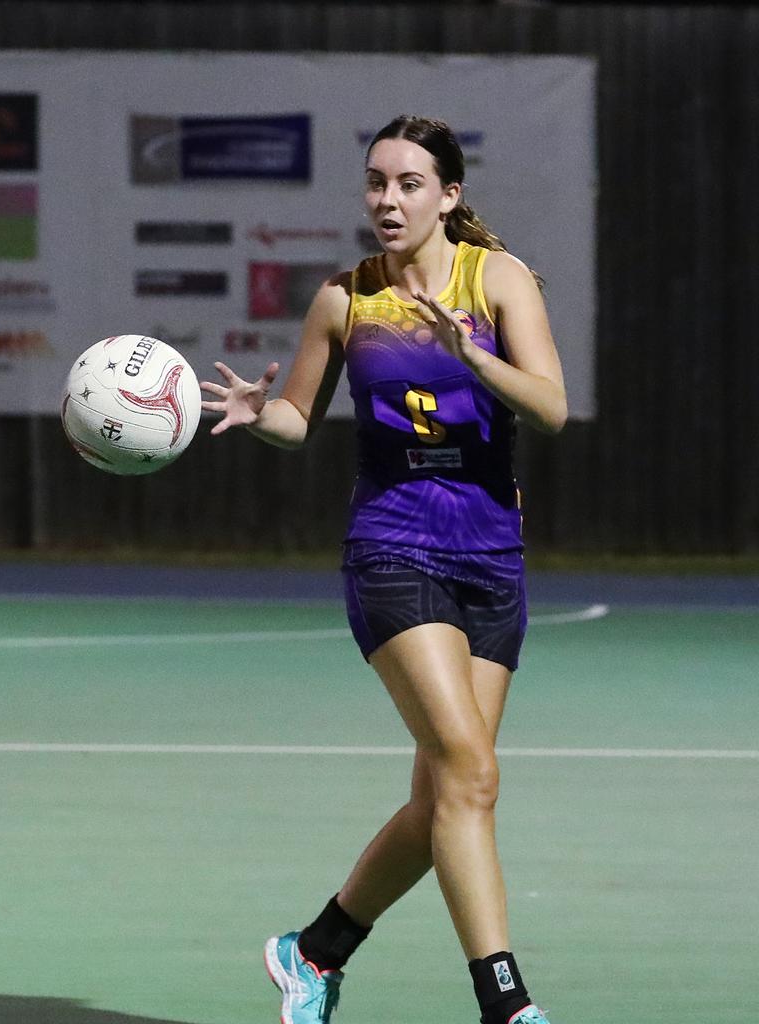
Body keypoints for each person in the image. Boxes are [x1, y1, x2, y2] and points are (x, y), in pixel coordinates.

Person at [201, 114, 567, 1024]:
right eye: (376, 182)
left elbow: (553, 407)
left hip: (491, 555)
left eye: (408, 184)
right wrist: (263, 412)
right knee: (472, 777)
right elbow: (299, 417)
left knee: (445, 793)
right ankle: (507, 1005)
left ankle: (315, 952)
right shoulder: (344, 298)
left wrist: (470, 356)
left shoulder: (500, 281)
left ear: (448, 195)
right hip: (393, 547)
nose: (387, 200)